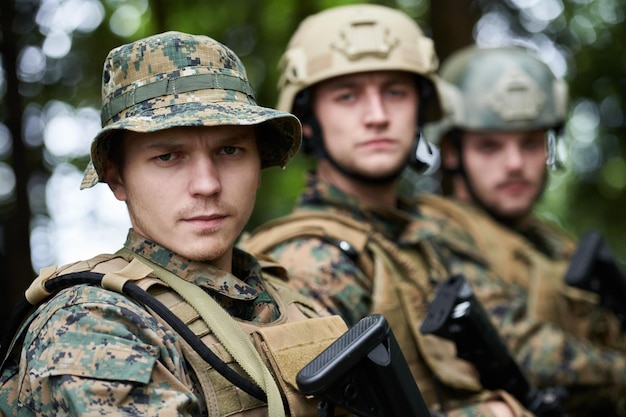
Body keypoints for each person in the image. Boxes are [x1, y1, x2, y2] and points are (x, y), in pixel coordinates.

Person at [0, 31, 356, 416]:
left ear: (258, 164)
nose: (207, 185)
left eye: (230, 150)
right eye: (168, 157)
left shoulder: (292, 301)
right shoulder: (92, 325)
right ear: (117, 177)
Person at [240, 5, 533, 417]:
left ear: (420, 108)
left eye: (395, 92)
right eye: (348, 96)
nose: (377, 116)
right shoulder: (308, 260)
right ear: (308, 120)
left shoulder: (422, 236)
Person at [414, 45, 626, 415]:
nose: (515, 164)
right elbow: (522, 347)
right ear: (450, 151)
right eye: (490, 146)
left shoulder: (552, 241)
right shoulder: (433, 232)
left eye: (530, 143)